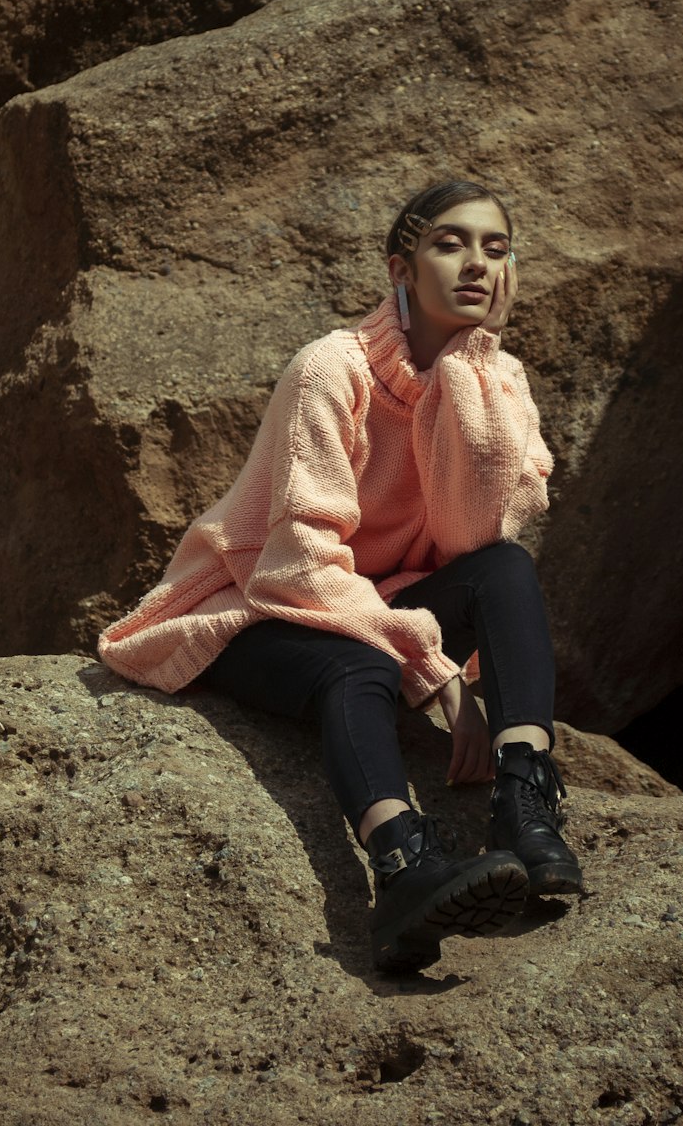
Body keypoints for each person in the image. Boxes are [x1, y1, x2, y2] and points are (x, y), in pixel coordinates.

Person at [98, 180, 582, 972]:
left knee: (505, 570)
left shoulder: (498, 380)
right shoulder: (331, 368)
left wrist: (472, 359)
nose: (477, 265)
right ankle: (401, 868)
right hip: (256, 609)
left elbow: (470, 535)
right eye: (450, 244)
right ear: (401, 265)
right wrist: (439, 677)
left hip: (369, 603)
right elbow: (301, 565)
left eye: (496, 250)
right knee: (356, 663)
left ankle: (524, 800)